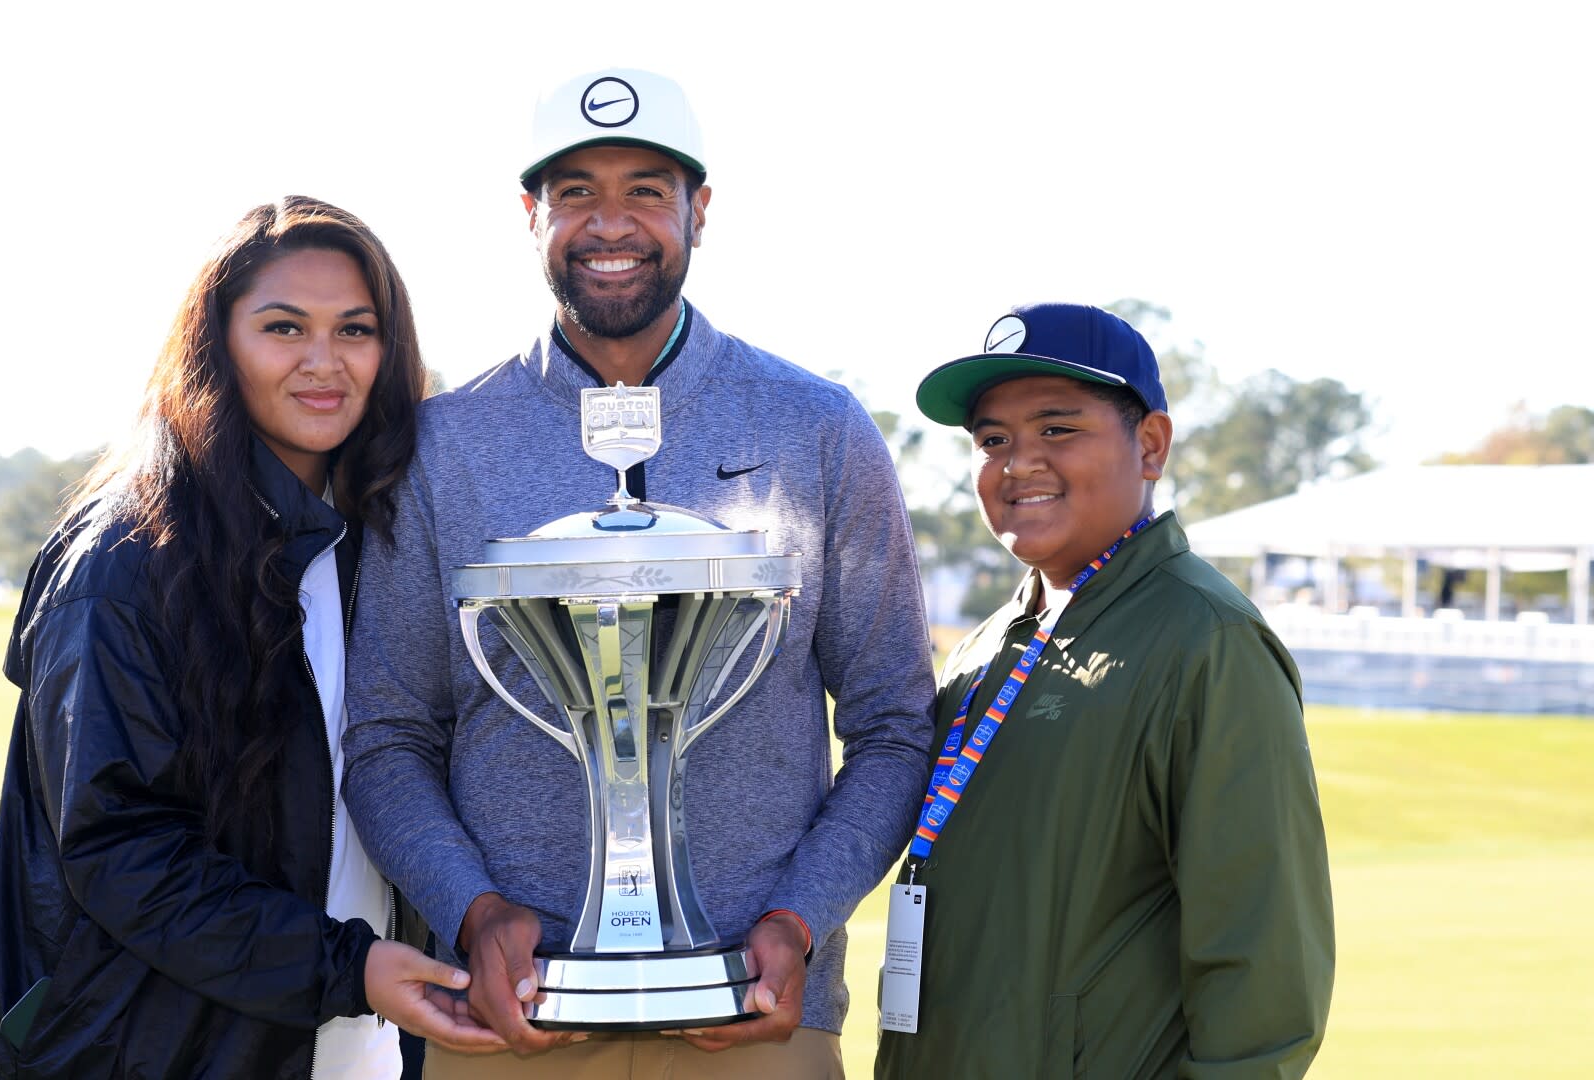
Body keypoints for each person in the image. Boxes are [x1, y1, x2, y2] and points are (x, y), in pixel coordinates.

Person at [341, 68, 937, 1078]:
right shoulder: (440, 446)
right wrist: (472, 912)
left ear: (700, 211)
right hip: (508, 1022)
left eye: (647, 190)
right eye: (574, 192)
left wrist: (799, 920)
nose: (609, 223)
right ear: (529, 215)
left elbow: (891, 722)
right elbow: (388, 735)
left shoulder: (819, 428)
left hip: (758, 1019)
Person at [0, 196, 506, 1079]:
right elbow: (119, 849)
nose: (323, 363)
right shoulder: (129, 559)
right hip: (154, 1051)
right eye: (283, 328)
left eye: (355, 331)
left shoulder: (380, 545)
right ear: (218, 344)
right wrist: (347, 967)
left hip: (361, 1047)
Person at [874, 303, 1334, 1078]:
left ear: (1150, 445)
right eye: (993, 441)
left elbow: (1263, 970)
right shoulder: (989, 643)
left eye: (1058, 429)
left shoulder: (1209, 643)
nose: (1019, 463)